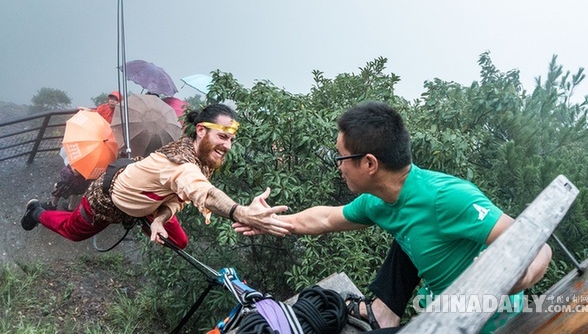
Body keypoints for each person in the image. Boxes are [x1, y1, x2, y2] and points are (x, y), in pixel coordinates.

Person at [233, 100, 552, 333]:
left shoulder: (446, 197)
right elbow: (327, 218)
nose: (340, 166)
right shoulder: (379, 200)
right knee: (407, 234)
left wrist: (514, 279)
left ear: (369, 163)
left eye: (342, 158)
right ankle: (383, 314)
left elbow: (538, 245)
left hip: (486, 323)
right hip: (439, 306)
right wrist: (264, 220)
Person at [21, 103, 293, 248]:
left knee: (179, 241)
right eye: (223, 136)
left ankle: (148, 221)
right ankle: (36, 212)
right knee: (73, 232)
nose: (227, 146)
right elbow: (203, 191)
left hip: (147, 202)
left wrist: (160, 219)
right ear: (200, 130)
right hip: (105, 201)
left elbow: (179, 196)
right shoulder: (180, 164)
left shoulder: (201, 157)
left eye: (231, 139)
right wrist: (240, 212)